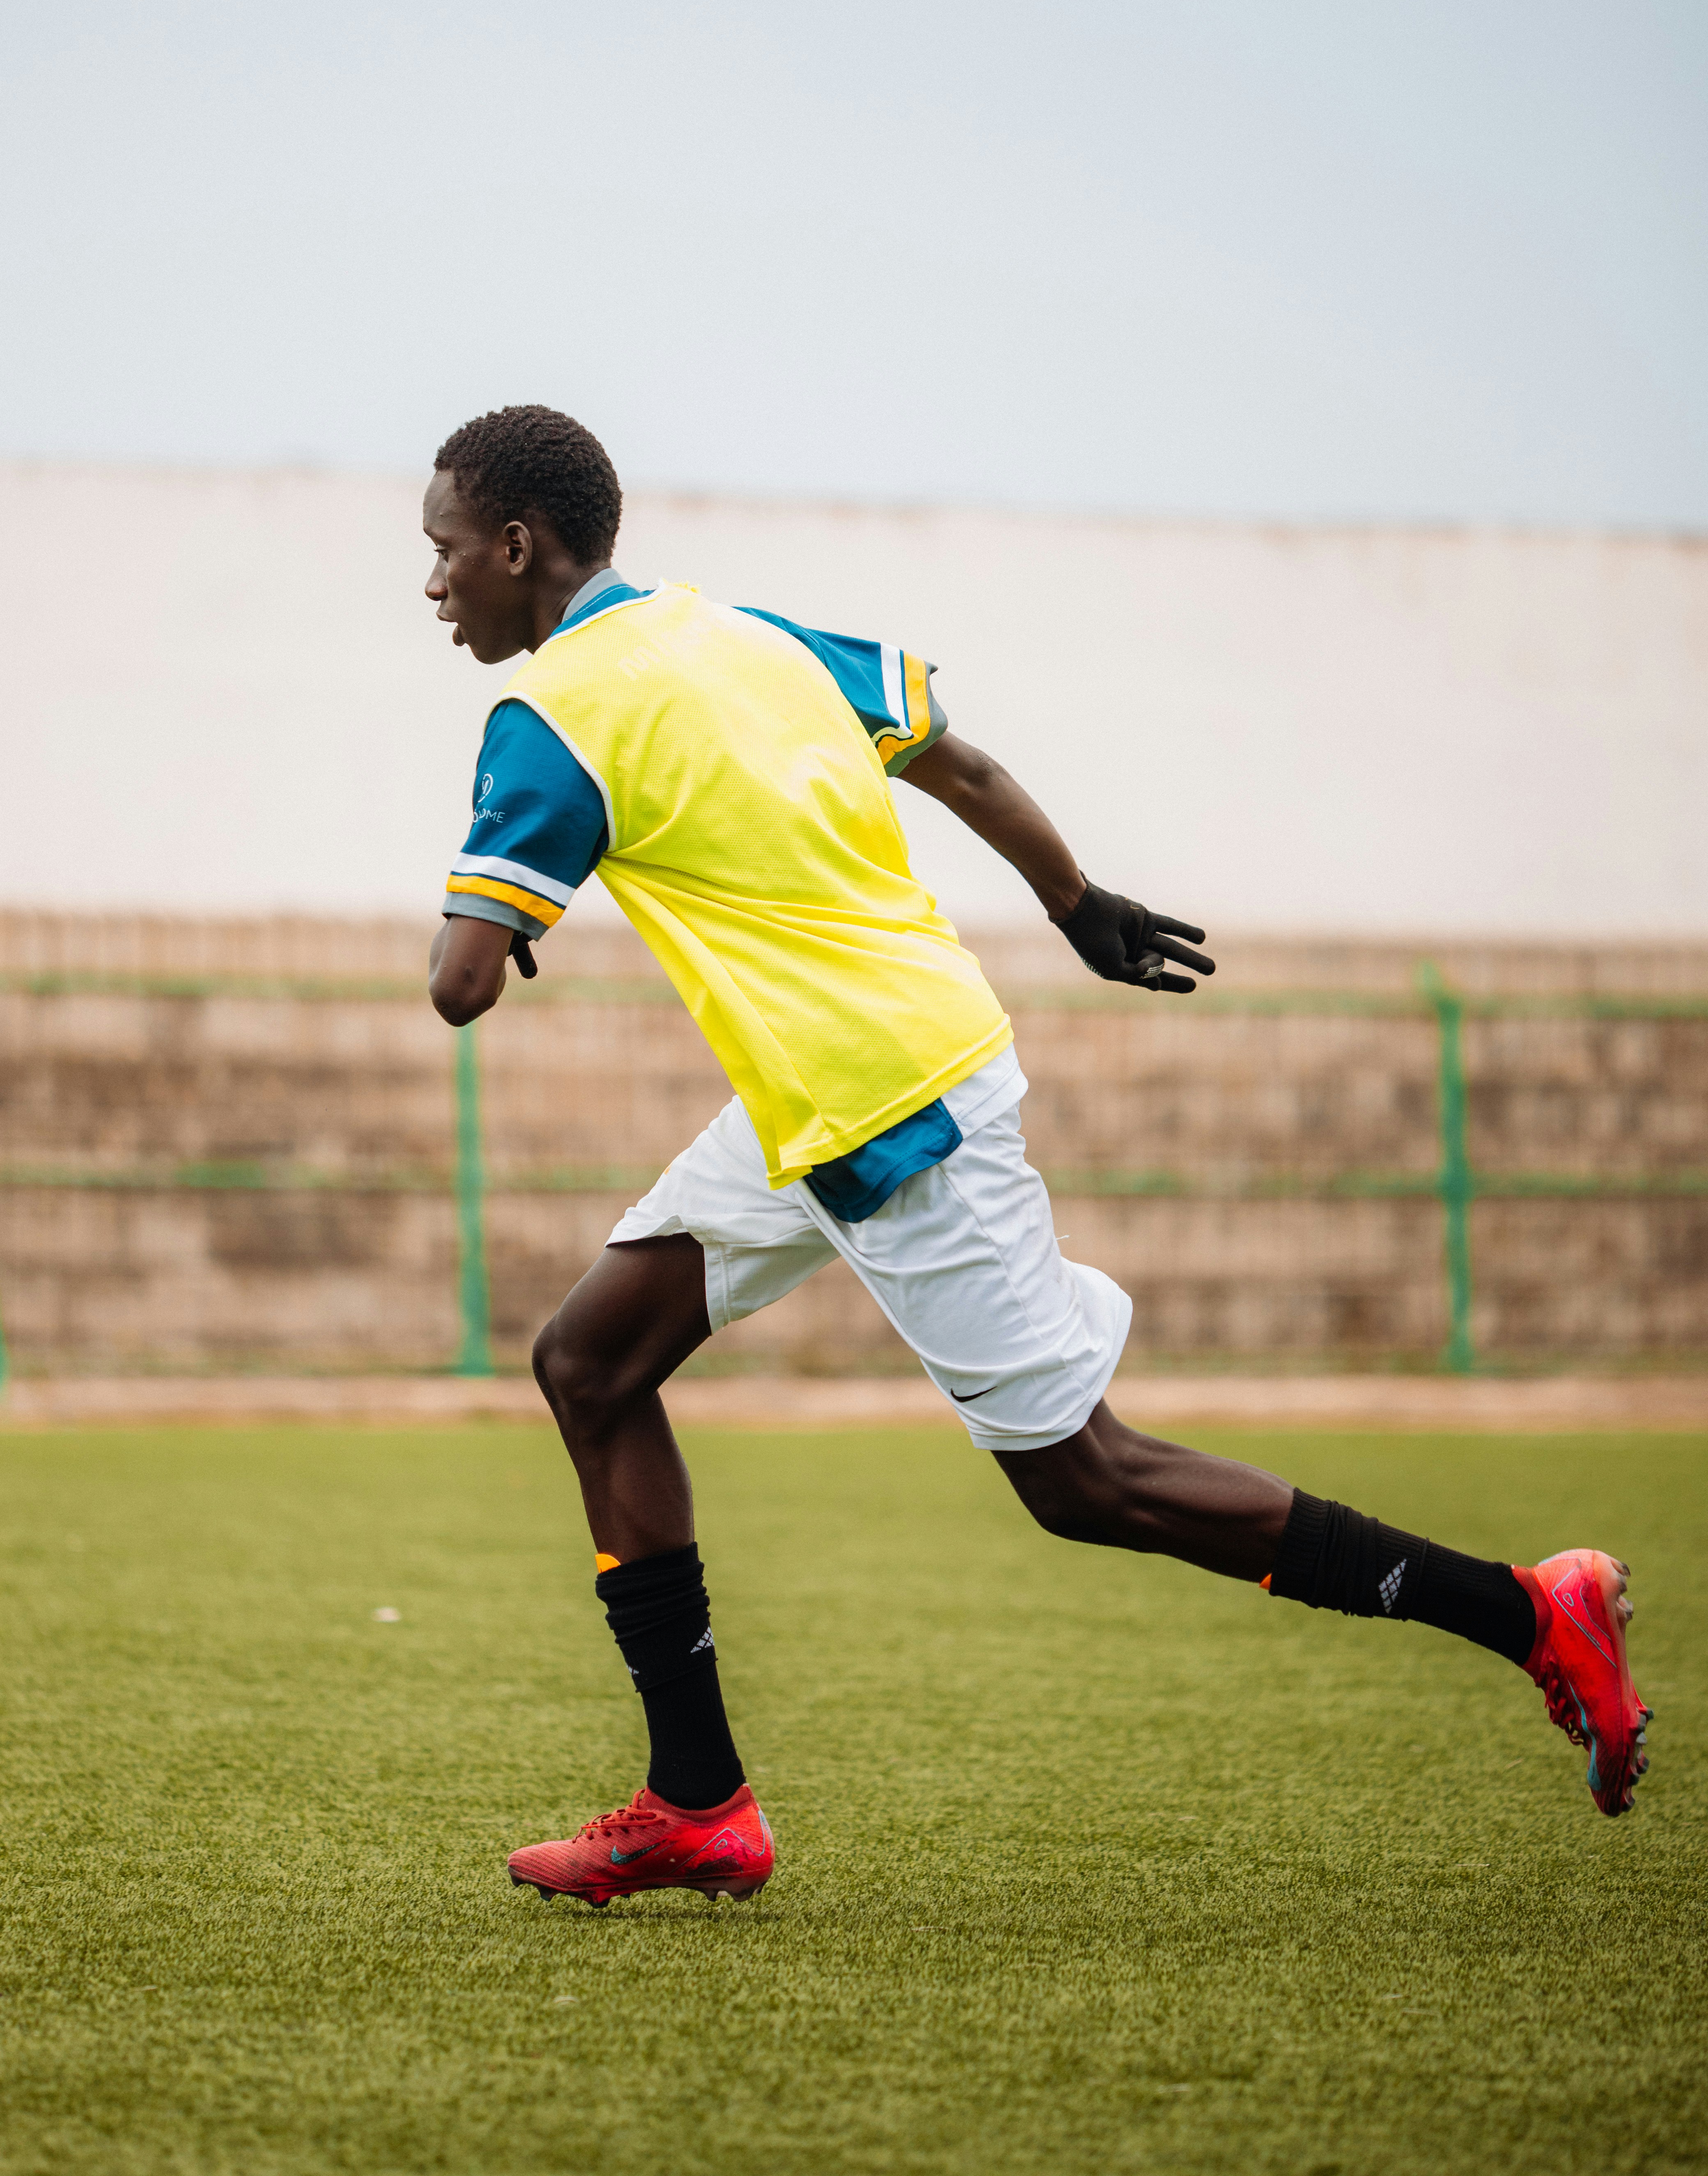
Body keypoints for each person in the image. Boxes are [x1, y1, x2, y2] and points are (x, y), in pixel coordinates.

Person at [422, 404, 1651, 1908]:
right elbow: (957, 758)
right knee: (591, 1366)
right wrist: (1079, 905)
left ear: (518, 545)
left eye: (443, 552)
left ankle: (1534, 1611)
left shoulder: (547, 718)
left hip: (883, 1110)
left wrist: (486, 917)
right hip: (836, 1085)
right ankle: (699, 1803)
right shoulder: (746, 632)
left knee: (1089, 1482)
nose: (435, 587)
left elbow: (461, 980)